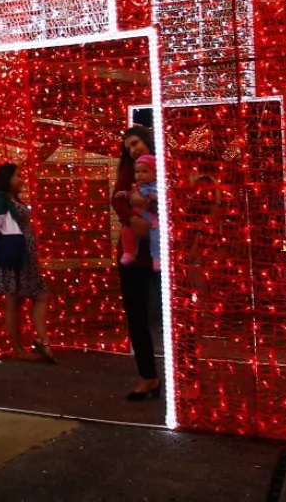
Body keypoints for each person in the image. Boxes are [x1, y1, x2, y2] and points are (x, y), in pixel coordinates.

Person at [0, 163, 56, 363]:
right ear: (7, 178)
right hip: (13, 257)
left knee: (34, 296)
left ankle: (40, 340)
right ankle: (21, 347)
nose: (22, 179)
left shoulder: (14, 200)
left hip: (26, 257)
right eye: (18, 176)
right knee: (17, 299)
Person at [113, 125, 160, 401]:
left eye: (135, 143)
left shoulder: (163, 166)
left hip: (160, 252)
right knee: (136, 317)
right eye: (128, 146)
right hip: (132, 256)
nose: (133, 149)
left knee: (175, 319)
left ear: (147, 141)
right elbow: (117, 200)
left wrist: (147, 208)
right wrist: (132, 219)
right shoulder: (128, 172)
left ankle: (186, 377)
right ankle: (148, 377)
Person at [122, 155, 160, 271]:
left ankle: (157, 259)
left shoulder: (156, 186)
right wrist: (124, 194)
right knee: (127, 231)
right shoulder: (138, 186)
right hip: (138, 214)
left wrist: (155, 197)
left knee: (156, 235)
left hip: (151, 217)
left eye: (144, 171)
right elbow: (130, 195)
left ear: (155, 173)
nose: (140, 174)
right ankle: (129, 252)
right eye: (137, 172)